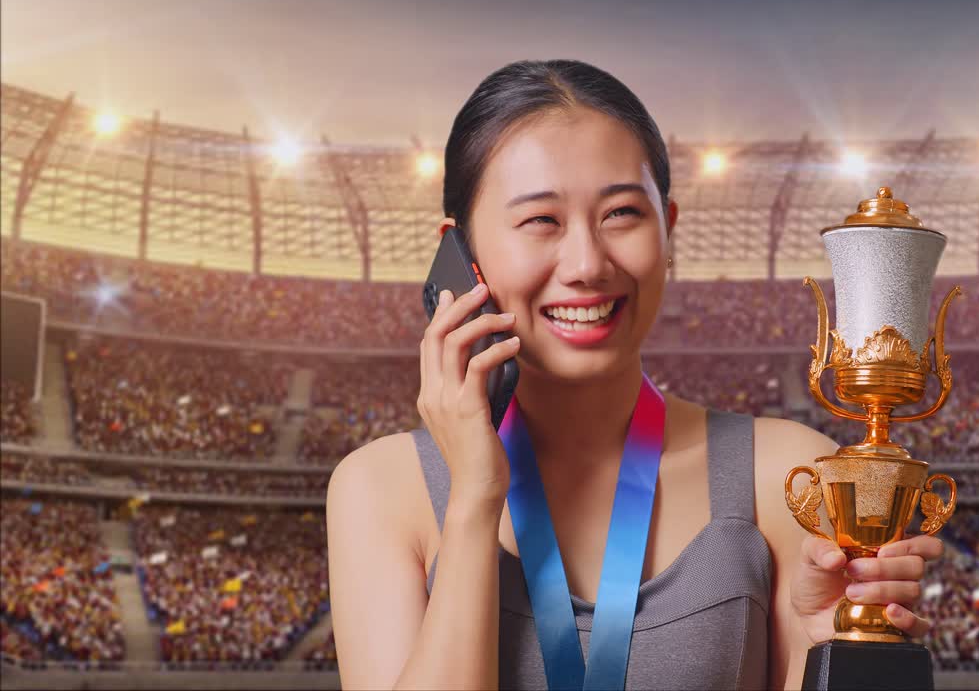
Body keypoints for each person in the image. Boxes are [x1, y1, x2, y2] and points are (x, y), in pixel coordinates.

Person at [325, 59, 942, 690]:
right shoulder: (382, 490)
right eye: (541, 220)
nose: (587, 264)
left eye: (621, 213)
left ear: (668, 230)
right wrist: (473, 503)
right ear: (462, 255)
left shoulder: (793, 481)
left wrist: (829, 650)